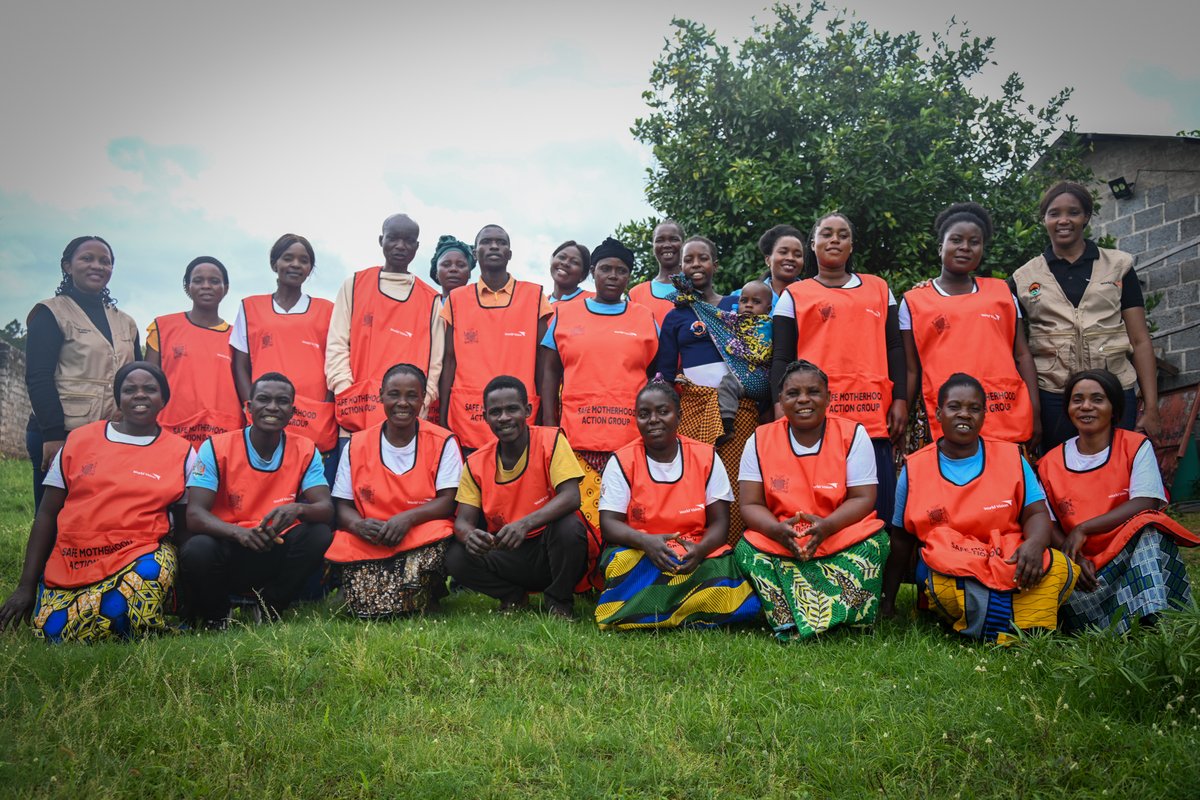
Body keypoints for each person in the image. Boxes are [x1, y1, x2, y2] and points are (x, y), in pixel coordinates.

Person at [0, 362, 193, 642]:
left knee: (136, 597)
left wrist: (187, 588)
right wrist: (25, 586)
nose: (140, 395)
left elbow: (185, 524)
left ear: (163, 399)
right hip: (76, 556)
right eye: (130, 389)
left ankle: (141, 616)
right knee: (50, 631)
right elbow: (47, 514)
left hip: (138, 553)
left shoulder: (182, 452)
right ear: (119, 398)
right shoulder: (79, 440)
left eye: (150, 389)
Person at [883, 373, 1077, 643]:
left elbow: (1035, 512)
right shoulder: (915, 468)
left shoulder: (1011, 457)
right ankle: (1020, 622)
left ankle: (992, 622)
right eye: (955, 407)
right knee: (946, 586)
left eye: (974, 408)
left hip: (1007, 558)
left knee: (1060, 568)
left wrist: (1035, 544)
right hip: (949, 567)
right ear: (938, 413)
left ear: (985, 416)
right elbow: (901, 540)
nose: (965, 415)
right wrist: (888, 602)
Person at [735, 360, 888, 641]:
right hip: (784, 537)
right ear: (780, 400)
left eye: (813, 392)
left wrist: (827, 526)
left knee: (875, 544)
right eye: (793, 393)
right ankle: (795, 622)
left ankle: (836, 620)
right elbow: (750, 505)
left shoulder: (853, 434)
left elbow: (864, 498)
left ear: (828, 397)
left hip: (836, 532)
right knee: (747, 551)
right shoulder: (758, 439)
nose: (803, 399)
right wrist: (777, 531)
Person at [771, 212, 906, 525]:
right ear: (813, 244)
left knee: (877, 515)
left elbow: (895, 348)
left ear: (851, 245)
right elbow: (781, 357)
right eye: (826, 233)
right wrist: (780, 406)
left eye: (842, 235)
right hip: (814, 421)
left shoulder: (878, 289)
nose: (834, 240)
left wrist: (900, 399)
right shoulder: (794, 295)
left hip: (872, 417)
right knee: (821, 511)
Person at [1039, 369, 1197, 634]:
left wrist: (1083, 528)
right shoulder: (1048, 463)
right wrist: (1076, 558)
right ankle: (1116, 625)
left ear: (1114, 408)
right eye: (1077, 400)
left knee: (1150, 530)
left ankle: (1154, 623)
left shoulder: (1135, 446)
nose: (1086, 406)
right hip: (1086, 572)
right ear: (1068, 408)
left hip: (1130, 557)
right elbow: (1048, 523)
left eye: (1097, 399)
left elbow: (1146, 501)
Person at [594, 381, 761, 629]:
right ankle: (692, 611)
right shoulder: (622, 460)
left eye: (663, 411)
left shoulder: (706, 456)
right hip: (642, 550)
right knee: (621, 563)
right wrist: (647, 543)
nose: (653, 419)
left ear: (679, 415)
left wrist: (701, 550)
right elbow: (608, 525)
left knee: (723, 564)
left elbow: (720, 523)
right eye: (644, 414)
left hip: (694, 550)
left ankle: (646, 613)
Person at [1011, 181, 1161, 453]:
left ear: (1086, 217)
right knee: (1058, 474)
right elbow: (1011, 341)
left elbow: (1140, 340)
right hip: (1054, 397)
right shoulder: (1024, 278)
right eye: (1054, 213)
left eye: (1073, 212)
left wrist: (1151, 407)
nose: (1063, 220)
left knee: (1118, 472)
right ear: (1044, 219)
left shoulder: (1118, 267)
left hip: (1113, 391)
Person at [179, 372, 333, 626]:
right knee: (197, 549)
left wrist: (298, 509)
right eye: (264, 399)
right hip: (229, 546)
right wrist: (240, 534)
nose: (272, 407)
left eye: (282, 401)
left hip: (273, 546)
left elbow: (325, 508)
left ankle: (270, 607)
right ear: (249, 407)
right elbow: (195, 516)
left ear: (292, 411)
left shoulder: (305, 448)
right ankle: (218, 615)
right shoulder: (216, 447)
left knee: (319, 534)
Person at [444, 376, 597, 619]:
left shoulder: (551, 440)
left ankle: (559, 600)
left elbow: (571, 497)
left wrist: (524, 524)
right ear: (485, 417)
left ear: (527, 410)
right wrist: (471, 536)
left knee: (569, 526)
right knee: (455, 554)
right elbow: (463, 522)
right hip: (508, 551)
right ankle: (512, 595)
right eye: (495, 412)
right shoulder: (475, 463)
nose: (504, 417)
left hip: (551, 549)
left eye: (512, 409)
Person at [539, 237, 659, 528]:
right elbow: (550, 373)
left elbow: (654, 375)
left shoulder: (645, 318)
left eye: (621, 270)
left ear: (629, 276)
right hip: (574, 440)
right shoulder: (564, 315)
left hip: (629, 441)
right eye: (606, 269)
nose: (613, 276)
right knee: (576, 526)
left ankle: (620, 572)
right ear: (593, 272)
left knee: (623, 519)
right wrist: (550, 427)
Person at [324, 364, 462, 617]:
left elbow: (449, 501)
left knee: (441, 538)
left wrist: (407, 519)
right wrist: (358, 526)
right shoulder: (357, 444)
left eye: (412, 395)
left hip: (420, 534)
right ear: (380, 396)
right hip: (371, 535)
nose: (402, 403)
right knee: (364, 593)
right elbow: (342, 505)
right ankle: (377, 596)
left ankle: (423, 594)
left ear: (423, 399)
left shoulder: (444, 441)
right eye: (394, 394)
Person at [901, 203, 1039, 447]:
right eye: (956, 240)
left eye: (974, 242)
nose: (965, 247)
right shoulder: (914, 301)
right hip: (940, 414)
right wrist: (902, 409)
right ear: (940, 247)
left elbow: (1022, 355)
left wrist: (1035, 411)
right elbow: (912, 370)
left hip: (1004, 410)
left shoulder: (1002, 293)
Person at [25, 236, 140, 509]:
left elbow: (136, 377)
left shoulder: (126, 322)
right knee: (55, 516)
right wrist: (53, 435)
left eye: (105, 261)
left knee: (101, 512)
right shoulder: (50, 313)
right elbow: (38, 377)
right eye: (87, 258)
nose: (97, 266)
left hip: (111, 433)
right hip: (62, 432)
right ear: (67, 265)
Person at [658, 236, 757, 538]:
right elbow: (663, 369)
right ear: (681, 266)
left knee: (736, 480)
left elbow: (757, 351)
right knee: (695, 479)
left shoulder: (735, 306)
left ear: (715, 264)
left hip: (737, 410)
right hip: (692, 409)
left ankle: (736, 556)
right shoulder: (675, 316)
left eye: (703, 258)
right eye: (689, 260)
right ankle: (698, 552)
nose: (696, 264)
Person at [327, 214, 445, 436]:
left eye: (408, 240)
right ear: (381, 240)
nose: (400, 246)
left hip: (408, 421)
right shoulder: (354, 285)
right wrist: (346, 393)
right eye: (393, 238)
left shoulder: (431, 300)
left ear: (417, 246)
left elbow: (435, 364)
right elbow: (337, 344)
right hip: (356, 418)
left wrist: (422, 403)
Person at [439, 225, 553, 450]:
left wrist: (544, 416)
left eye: (501, 242)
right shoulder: (457, 299)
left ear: (509, 254)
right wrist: (442, 418)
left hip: (519, 417)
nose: (494, 246)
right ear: (475, 252)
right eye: (486, 241)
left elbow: (543, 363)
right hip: (467, 419)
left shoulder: (534, 296)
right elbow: (448, 361)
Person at [231, 234, 338, 464]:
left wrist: (325, 406)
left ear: (310, 269)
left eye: (304, 260)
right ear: (274, 263)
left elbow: (335, 364)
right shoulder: (250, 307)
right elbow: (240, 364)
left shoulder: (328, 310)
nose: (296, 265)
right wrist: (250, 405)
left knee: (313, 486)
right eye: (288, 258)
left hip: (313, 419)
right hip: (265, 414)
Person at [146, 256, 243, 447]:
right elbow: (148, 383)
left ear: (226, 288)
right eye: (198, 280)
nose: (206, 286)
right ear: (187, 286)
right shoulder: (163, 327)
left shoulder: (237, 338)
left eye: (214, 281)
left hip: (223, 436)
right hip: (171, 434)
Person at [426, 234, 476, 424]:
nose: (453, 269)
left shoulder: (478, 309)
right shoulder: (425, 305)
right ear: (436, 272)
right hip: (426, 397)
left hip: (463, 399)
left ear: (470, 272)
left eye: (461, 265)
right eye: (446, 265)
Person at [716, 279, 773, 437]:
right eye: (744, 300)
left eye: (756, 302)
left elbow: (761, 352)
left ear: (768, 309)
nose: (748, 305)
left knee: (728, 382)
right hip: (749, 378)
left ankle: (726, 424)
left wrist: (734, 348)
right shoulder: (736, 322)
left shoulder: (766, 324)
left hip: (759, 377)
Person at [729, 224, 806, 311]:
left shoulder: (812, 295)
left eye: (798, 255)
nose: (791, 258)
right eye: (783, 252)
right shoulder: (738, 297)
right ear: (768, 260)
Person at [629, 220, 685, 326]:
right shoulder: (636, 295)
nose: (667, 245)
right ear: (653, 246)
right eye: (660, 240)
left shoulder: (698, 288)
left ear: (683, 245)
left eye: (673, 239)